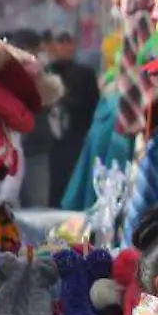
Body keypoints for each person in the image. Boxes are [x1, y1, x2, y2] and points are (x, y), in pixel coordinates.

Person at [41, 30, 100, 208]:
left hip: (77, 138)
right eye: (60, 42)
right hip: (49, 143)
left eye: (68, 42)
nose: (65, 47)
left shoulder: (85, 73)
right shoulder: (45, 72)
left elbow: (91, 105)